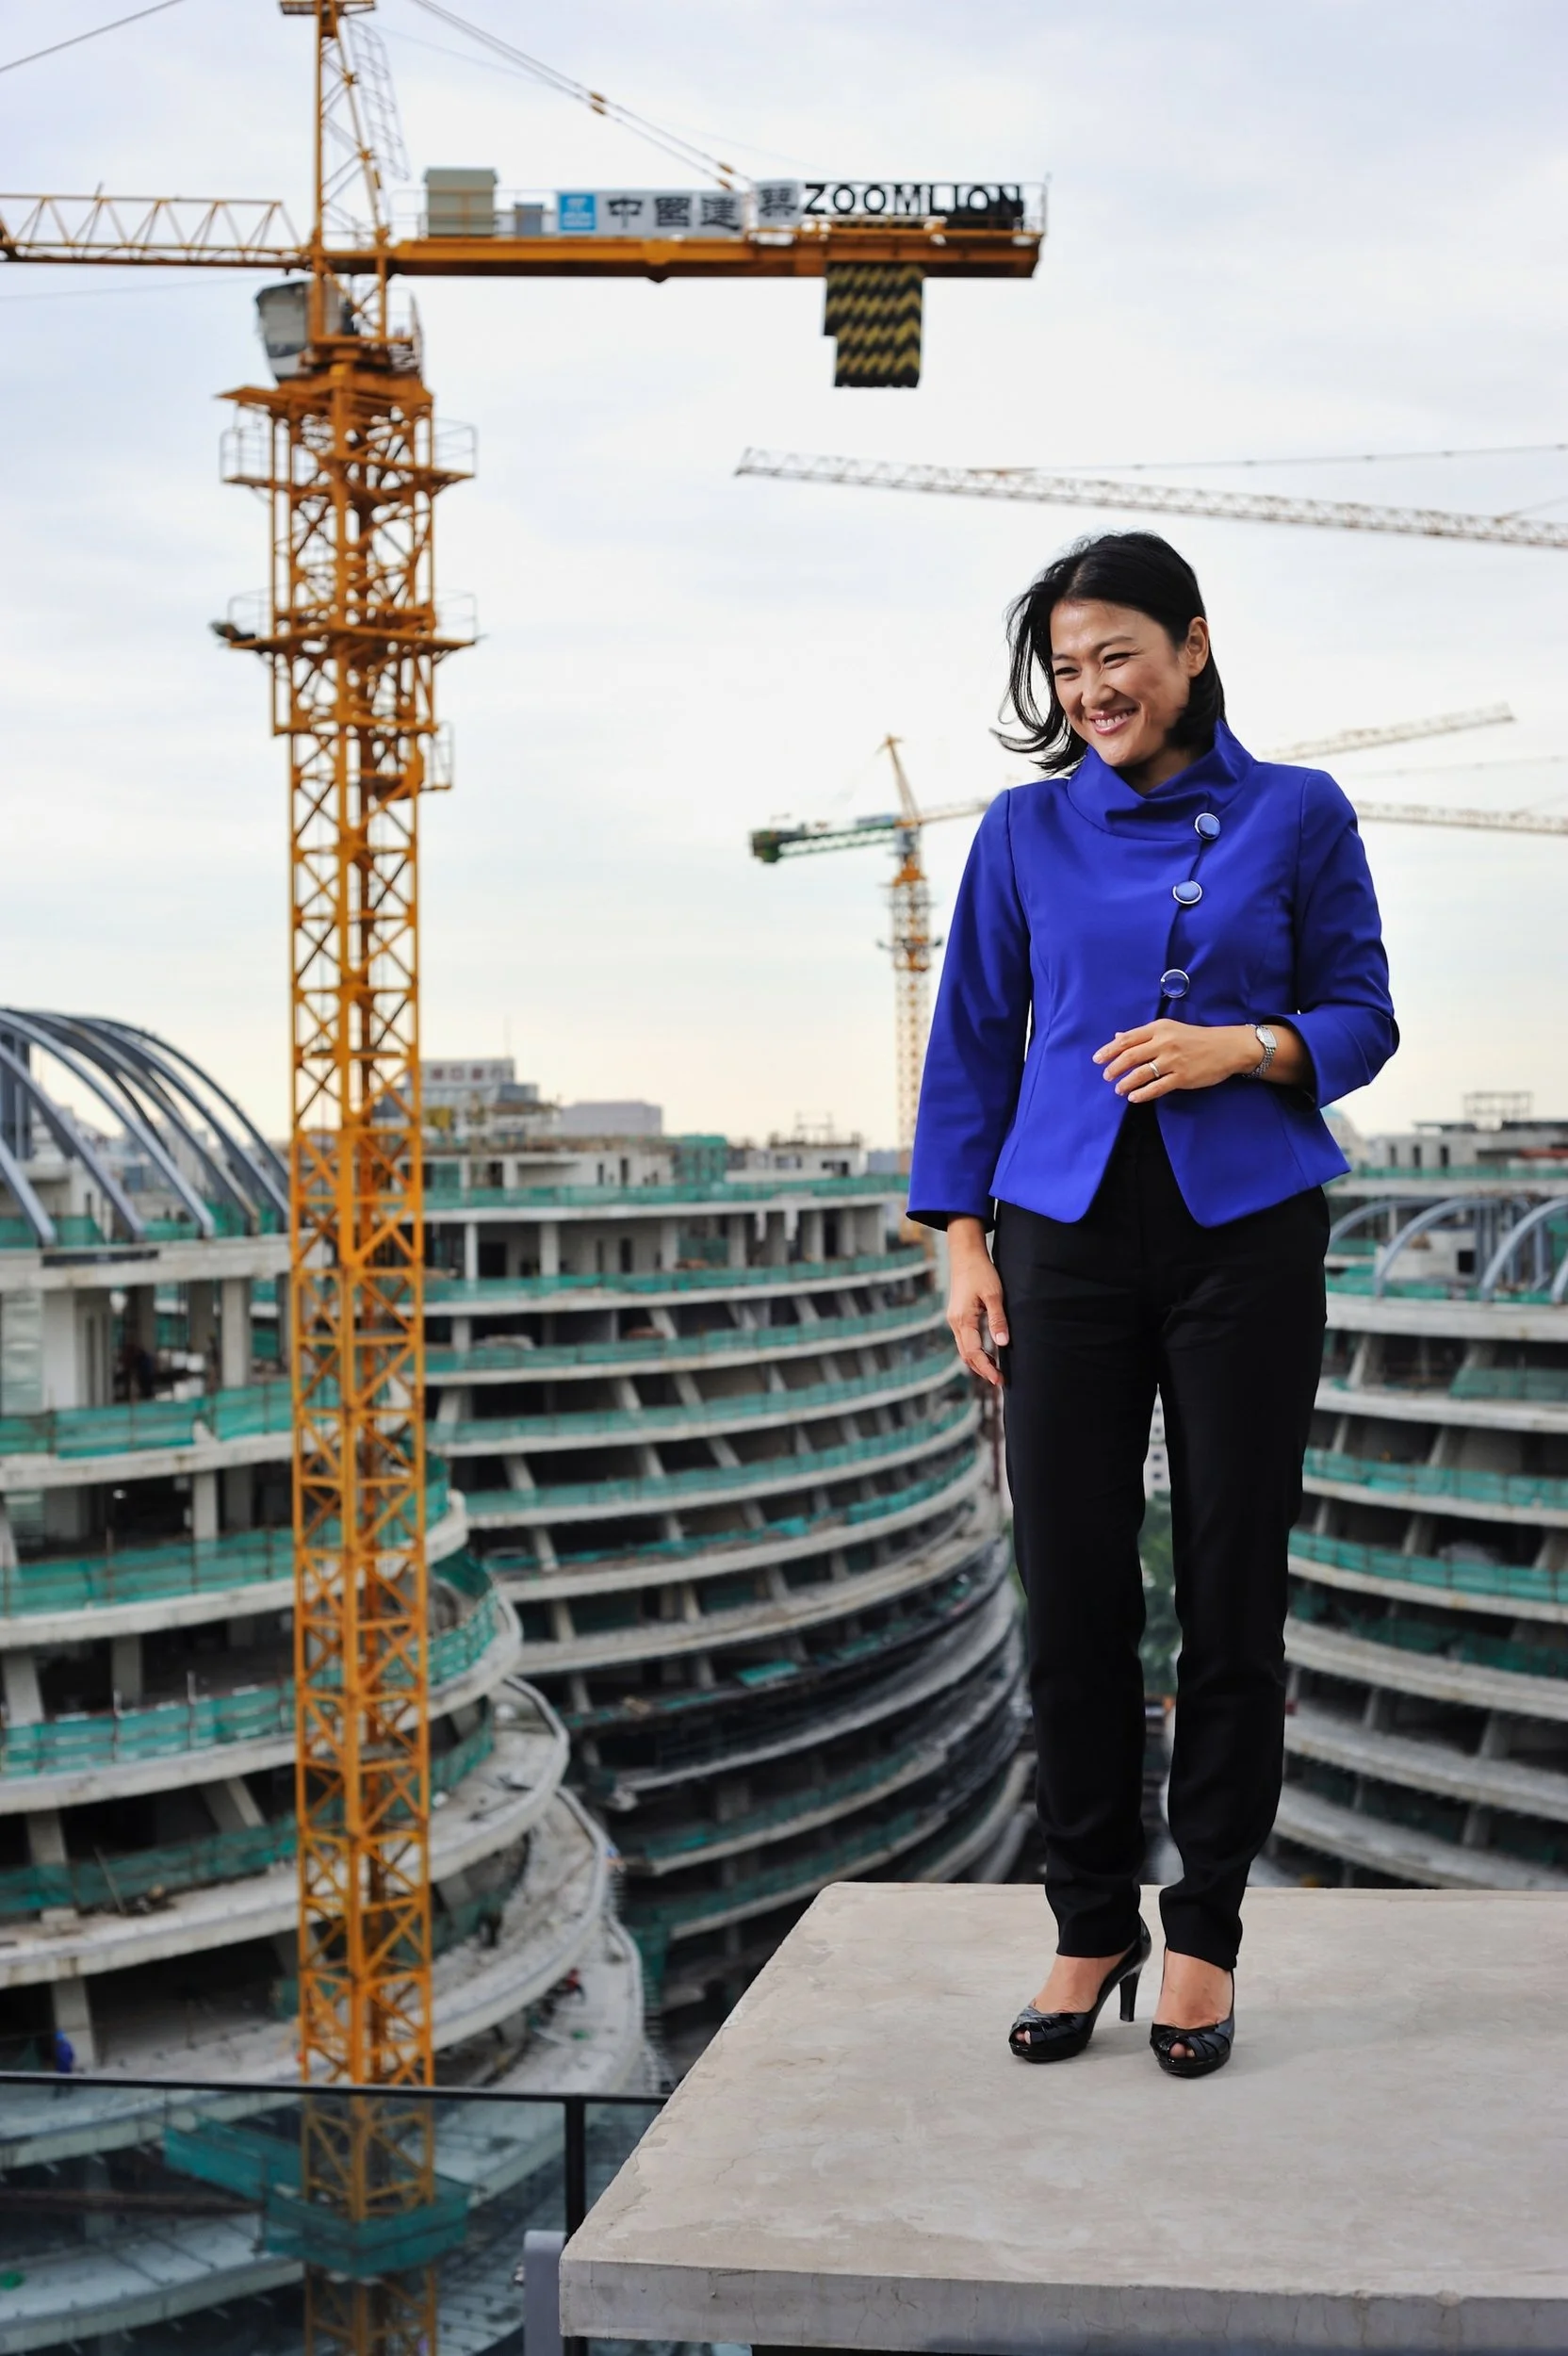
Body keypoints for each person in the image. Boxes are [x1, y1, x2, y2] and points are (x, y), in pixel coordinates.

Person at [908, 532, 1396, 2079]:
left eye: (1116, 654)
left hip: (1244, 1234)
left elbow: (1364, 1015)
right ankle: (1089, 1915)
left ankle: (1208, 1934)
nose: (1090, 688)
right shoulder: (1022, 832)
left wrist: (1237, 1048)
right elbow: (975, 1037)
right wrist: (961, 1242)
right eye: (1065, 667)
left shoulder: (1298, 812)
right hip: (1058, 1236)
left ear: (1191, 646)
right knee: (1073, 1585)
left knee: (1229, 1587)